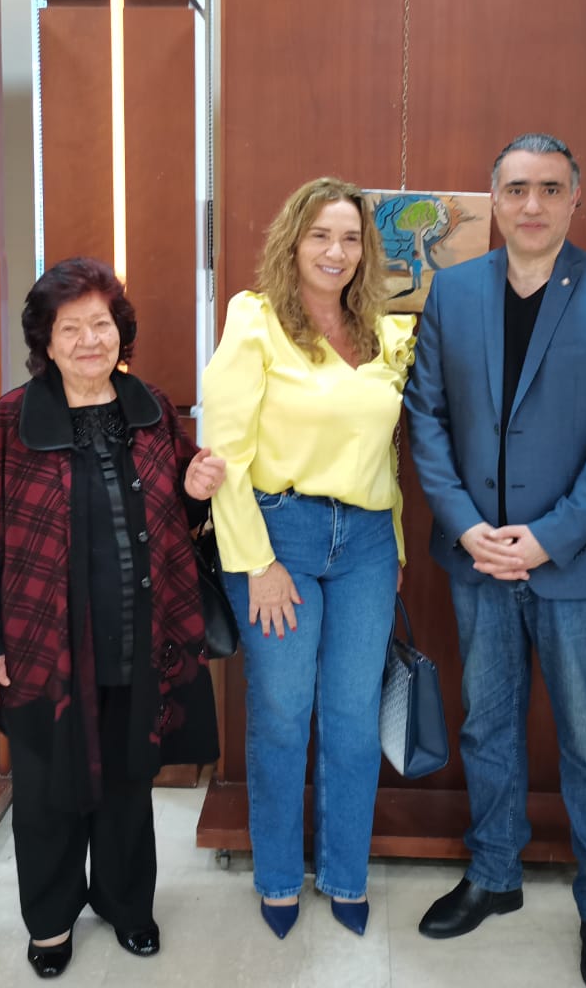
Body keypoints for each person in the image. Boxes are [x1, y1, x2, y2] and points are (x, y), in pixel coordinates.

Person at [404, 133, 586, 988]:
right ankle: (493, 874)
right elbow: (426, 415)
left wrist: (551, 534)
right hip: (477, 556)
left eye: (550, 188)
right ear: (493, 197)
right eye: (516, 188)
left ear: (573, 199)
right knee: (486, 724)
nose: (531, 204)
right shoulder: (454, 291)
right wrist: (464, 524)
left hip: (577, 562)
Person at [0, 257, 222, 980]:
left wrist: (195, 491)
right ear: (45, 339)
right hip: (42, 645)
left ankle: (127, 905)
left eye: (101, 324)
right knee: (46, 791)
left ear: (120, 332)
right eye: (71, 328)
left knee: (129, 780)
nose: (89, 340)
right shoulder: (12, 419)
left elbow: (179, 520)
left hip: (138, 636)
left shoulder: (152, 409)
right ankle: (51, 920)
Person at [202, 177, 415, 940]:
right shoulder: (254, 321)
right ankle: (277, 877)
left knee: (354, 719)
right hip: (277, 537)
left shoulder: (386, 333)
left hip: (365, 544)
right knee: (282, 715)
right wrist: (255, 563)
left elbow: (386, 453)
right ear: (292, 242)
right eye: (320, 235)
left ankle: (345, 874)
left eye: (350, 237)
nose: (336, 251)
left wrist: (392, 545)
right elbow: (224, 455)